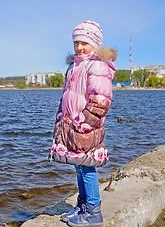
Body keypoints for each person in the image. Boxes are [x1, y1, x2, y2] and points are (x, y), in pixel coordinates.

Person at [49, 20, 117, 227]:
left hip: (86, 126)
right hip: (72, 124)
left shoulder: (97, 66)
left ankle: (94, 210)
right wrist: (61, 116)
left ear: (95, 43)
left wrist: (85, 123)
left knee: (87, 169)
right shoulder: (74, 66)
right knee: (79, 167)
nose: (79, 47)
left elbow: (101, 100)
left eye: (84, 43)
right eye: (76, 42)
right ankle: (82, 205)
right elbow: (66, 96)